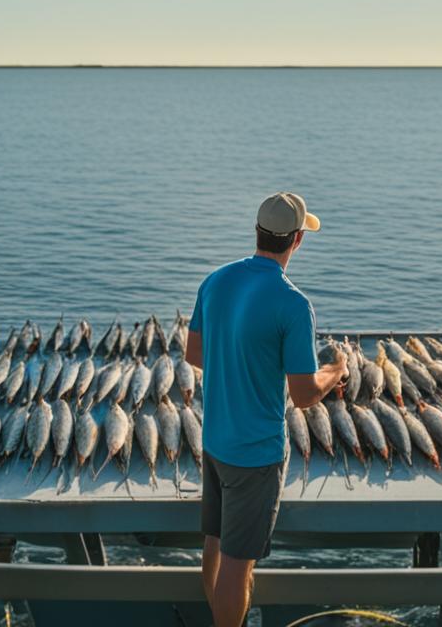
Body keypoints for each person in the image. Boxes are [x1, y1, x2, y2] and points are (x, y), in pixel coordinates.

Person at [184, 191, 347, 627]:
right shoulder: (293, 304)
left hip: (215, 443)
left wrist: (239, 361)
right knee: (238, 566)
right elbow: (304, 394)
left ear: (257, 231)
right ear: (297, 240)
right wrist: (336, 370)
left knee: (214, 546)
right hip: (255, 456)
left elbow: (194, 353)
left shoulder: (215, 280)